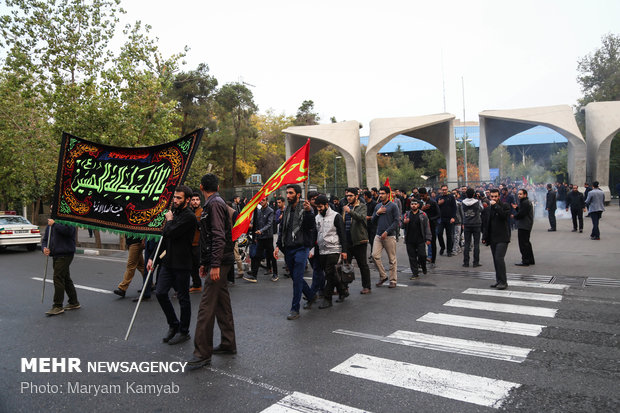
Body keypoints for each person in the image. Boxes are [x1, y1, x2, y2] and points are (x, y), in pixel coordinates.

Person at [188, 174, 237, 370]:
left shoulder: (214, 204)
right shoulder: (213, 203)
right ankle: (228, 342)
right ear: (217, 186)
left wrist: (214, 265)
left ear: (201, 187)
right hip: (217, 260)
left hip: (221, 261)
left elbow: (218, 235)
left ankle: (202, 353)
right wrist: (205, 263)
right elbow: (208, 238)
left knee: (206, 308)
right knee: (222, 304)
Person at [147, 185, 196, 346]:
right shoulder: (174, 213)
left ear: (187, 200)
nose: (175, 200)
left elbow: (171, 232)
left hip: (182, 263)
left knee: (183, 298)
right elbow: (164, 239)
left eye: (179, 198)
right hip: (168, 262)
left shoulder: (189, 217)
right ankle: (173, 324)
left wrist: (169, 220)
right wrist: (152, 258)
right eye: (174, 197)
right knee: (161, 293)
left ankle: (184, 331)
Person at [274, 184, 317, 320]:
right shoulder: (286, 211)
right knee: (295, 276)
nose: (288, 196)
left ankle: (295, 309)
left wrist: (309, 212)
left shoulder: (305, 209)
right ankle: (310, 295)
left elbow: (311, 226)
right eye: (287, 193)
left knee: (297, 278)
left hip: (301, 247)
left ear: (298, 195)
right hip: (288, 249)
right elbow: (282, 230)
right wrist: (277, 246)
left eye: (291, 193)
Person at [313, 195, 348, 309]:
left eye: (320, 207)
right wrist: (313, 249)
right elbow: (316, 233)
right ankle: (342, 291)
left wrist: (344, 250)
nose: (319, 209)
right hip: (322, 250)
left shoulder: (335, 216)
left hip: (334, 249)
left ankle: (327, 299)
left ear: (327, 205)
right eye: (317, 207)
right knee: (331, 273)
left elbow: (342, 234)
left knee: (329, 273)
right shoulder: (317, 217)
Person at [41, 216, 79, 316]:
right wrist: (44, 248)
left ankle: (57, 305)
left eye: (53, 208)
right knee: (65, 277)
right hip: (55, 254)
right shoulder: (50, 223)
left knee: (57, 277)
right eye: (50, 209)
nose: (51, 211)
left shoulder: (67, 220)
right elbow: (45, 239)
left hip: (65, 254)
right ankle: (73, 302)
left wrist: (54, 224)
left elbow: (69, 232)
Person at [343, 188, 372, 294]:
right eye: (347, 196)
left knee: (362, 264)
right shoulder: (345, 207)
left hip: (359, 240)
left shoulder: (362, 206)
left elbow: (360, 218)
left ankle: (367, 286)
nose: (348, 197)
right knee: (345, 265)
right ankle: (344, 287)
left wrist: (350, 211)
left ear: (356, 196)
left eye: (351, 195)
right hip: (347, 240)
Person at [371, 186, 400, 288]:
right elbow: (372, 221)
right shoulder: (377, 206)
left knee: (392, 259)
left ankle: (393, 280)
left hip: (389, 236)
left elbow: (397, 221)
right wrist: (377, 213)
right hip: (378, 235)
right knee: (374, 256)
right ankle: (383, 276)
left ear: (388, 194)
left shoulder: (393, 206)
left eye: (383, 193)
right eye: (380, 193)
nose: (381, 195)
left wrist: (387, 231)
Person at [482, 189, 511, 290]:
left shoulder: (505, 206)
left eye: (495, 196)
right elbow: (487, 223)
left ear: (499, 197)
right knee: (495, 260)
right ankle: (499, 280)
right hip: (493, 237)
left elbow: (504, 217)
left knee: (499, 258)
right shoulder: (488, 208)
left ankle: (503, 282)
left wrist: (496, 206)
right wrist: (485, 237)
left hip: (502, 237)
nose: (493, 198)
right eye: (492, 197)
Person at [244, 198, 278, 282]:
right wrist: (254, 232)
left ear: (267, 201)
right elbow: (255, 222)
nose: (261, 202)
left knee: (271, 256)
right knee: (256, 256)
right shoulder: (258, 211)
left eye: (263, 200)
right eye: (261, 200)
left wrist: (261, 230)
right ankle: (254, 276)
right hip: (260, 238)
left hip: (268, 237)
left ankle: (275, 274)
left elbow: (269, 224)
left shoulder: (270, 211)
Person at [403, 199, 431, 279]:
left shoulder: (423, 214)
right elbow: (401, 225)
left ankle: (423, 266)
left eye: (415, 204)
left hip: (420, 239)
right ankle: (415, 273)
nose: (413, 205)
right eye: (412, 204)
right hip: (410, 239)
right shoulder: (407, 214)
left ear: (418, 205)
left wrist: (428, 238)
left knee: (422, 255)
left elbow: (427, 227)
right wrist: (404, 222)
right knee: (412, 257)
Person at [512, 188, 535, 266]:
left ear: (525, 195)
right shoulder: (525, 202)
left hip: (524, 225)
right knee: (527, 243)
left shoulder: (525, 202)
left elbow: (522, 214)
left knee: (523, 244)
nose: (519, 195)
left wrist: (514, 216)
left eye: (520, 194)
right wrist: (517, 208)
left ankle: (525, 260)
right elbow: (522, 211)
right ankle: (530, 259)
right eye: (518, 194)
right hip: (526, 224)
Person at [461, 188, 483, 268]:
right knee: (476, 244)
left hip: (467, 224)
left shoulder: (463, 202)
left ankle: (466, 262)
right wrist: (479, 199)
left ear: (466, 194)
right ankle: (475, 262)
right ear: (474, 194)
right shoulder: (477, 202)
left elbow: (462, 211)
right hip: (476, 224)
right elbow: (481, 209)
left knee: (467, 244)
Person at [419, 187, 439, 267]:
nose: (421, 198)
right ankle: (420, 261)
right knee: (420, 244)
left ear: (426, 194)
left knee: (432, 243)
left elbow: (438, 214)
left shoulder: (432, 202)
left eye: (423, 196)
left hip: (431, 226)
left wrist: (430, 219)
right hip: (420, 226)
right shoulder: (419, 203)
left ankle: (433, 260)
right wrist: (422, 209)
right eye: (420, 196)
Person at [437, 184, 457, 256]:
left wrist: (453, 217)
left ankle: (449, 250)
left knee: (449, 235)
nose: (444, 191)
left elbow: (454, 208)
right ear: (441, 190)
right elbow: (435, 208)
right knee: (439, 233)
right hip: (441, 219)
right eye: (443, 190)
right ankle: (442, 247)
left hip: (449, 219)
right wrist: (438, 203)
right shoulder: (439, 197)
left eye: (445, 189)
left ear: (447, 189)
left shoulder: (451, 197)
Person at [189, 192, 203, 293]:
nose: (195, 202)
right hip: (189, 243)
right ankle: (196, 284)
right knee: (191, 266)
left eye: (197, 200)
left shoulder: (202, 212)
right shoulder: (188, 211)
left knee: (200, 264)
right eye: (193, 200)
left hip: (199, 243)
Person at [363, 191, 377, 260]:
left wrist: (370, 217)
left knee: (373, 240)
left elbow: (377, 214)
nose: (363, 197)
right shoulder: (365, 204)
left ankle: (373, 255)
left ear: (366, 196)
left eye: (364, 195)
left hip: (373, 225)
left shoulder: (374, 204)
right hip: (366, 225)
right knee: (369, 240)